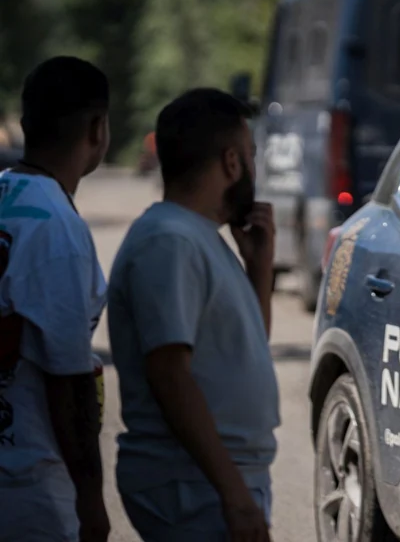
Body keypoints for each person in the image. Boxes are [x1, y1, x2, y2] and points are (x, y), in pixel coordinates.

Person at [107, 88, 278, 542]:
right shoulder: (171, 242)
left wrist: (260, 271)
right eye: (250, 155)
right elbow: (169, 375)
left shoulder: (199, 237)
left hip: (210, 480)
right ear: (231, 163)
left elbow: (245, 351)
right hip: (191, 483)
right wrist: (235, 496)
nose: (252, 168)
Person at [0, 57, 111, 542]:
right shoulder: (58, 230)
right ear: (97, 129)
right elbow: (69, 382)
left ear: (25, 126)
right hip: (29, 489)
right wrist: (90, 500)